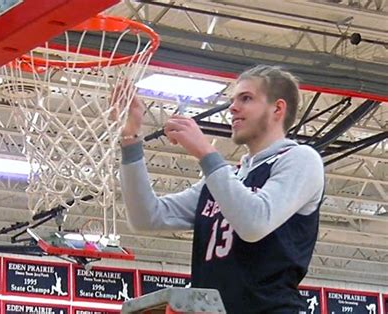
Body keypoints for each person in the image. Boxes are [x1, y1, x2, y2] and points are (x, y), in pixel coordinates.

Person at [118, 65, 325, 313]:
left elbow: (254, 223)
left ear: (277, 109)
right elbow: (146, 217)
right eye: (232, 100)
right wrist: (131, 139)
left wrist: (206, 153)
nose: (232, 108)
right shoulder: (227, 177)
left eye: (246, 98)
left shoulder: (300, 158)